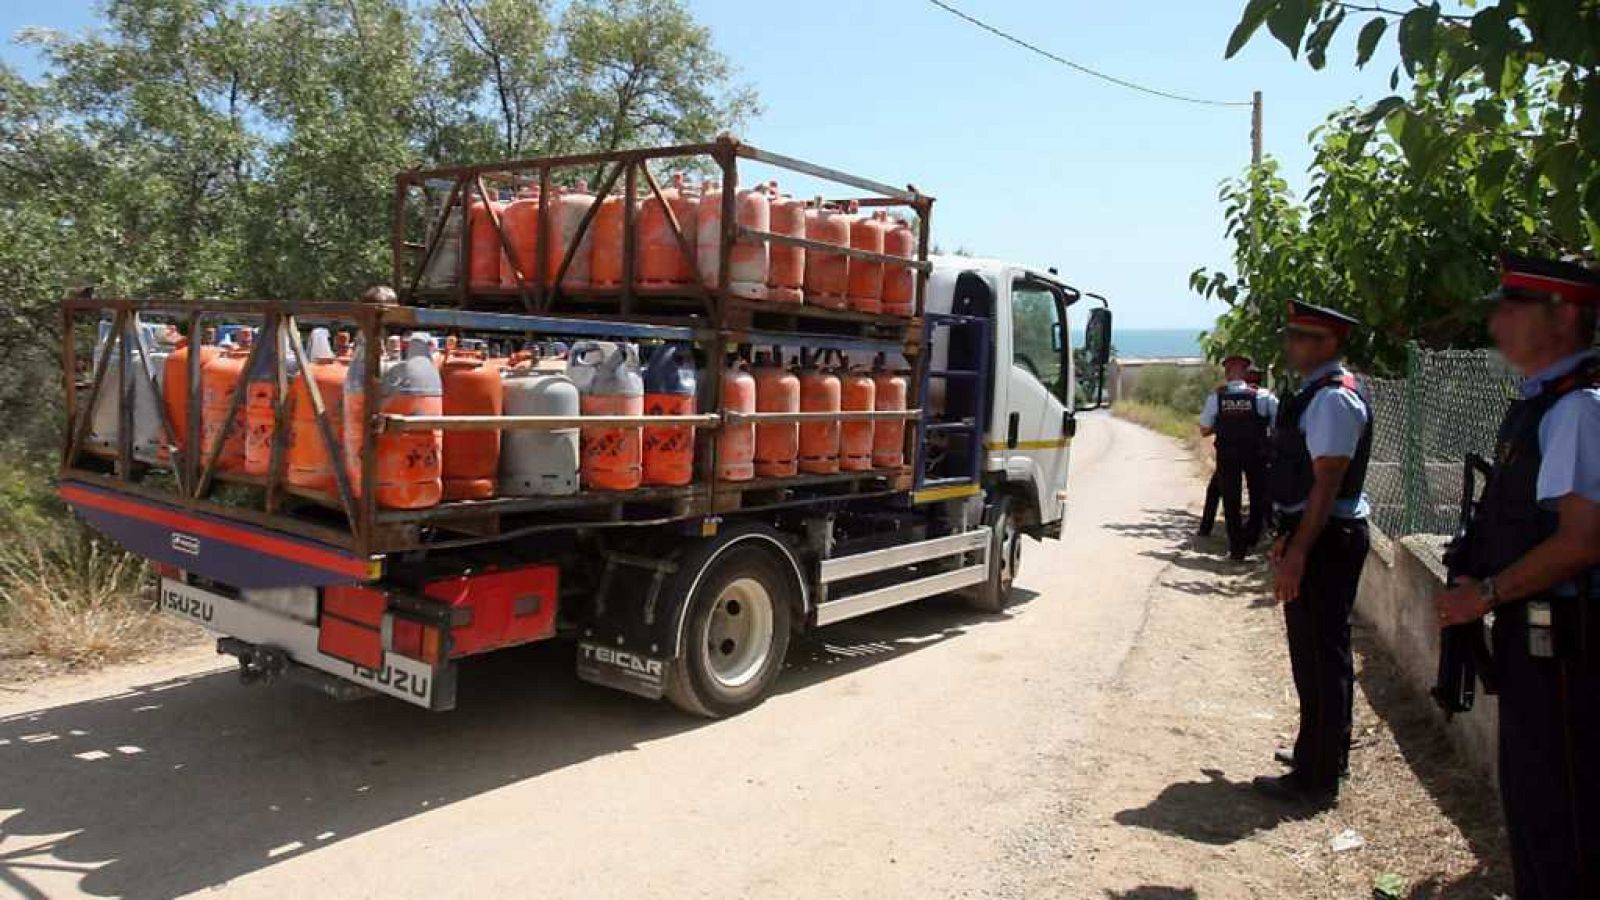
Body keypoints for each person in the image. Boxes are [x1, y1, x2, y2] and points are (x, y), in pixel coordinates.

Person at [1432, 253, 1600, 899]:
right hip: (1538, 642)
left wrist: (1486, 594)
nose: (1497, 321)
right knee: (1532, 804)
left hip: (1566, 648)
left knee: (1562, 817)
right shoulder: (1538, 406)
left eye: (1512, 307)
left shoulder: (1576, 411)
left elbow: (1580, 541)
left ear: (1563, 317)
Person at [1253, 300, 1372, 807]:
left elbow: (1327, 483)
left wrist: (1300, 548)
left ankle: (1318, 776)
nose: (1291, 344)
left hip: (1327, 538)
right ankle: (1317, 750)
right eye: (1292, 334)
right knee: (1316, 652)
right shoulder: (1316, 394)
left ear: (1330, 344)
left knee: (1320, 655)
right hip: (1318, 533)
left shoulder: (1331, 400)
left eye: (1303, 336)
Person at [1198, 354, 1277, 559]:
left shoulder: (1217, 397)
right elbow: (1277, 425)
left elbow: (1204, 429)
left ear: (1226, 373)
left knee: (1231, 500)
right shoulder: (1263, 396)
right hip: (1256, 453)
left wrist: (1222, 425)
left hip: (1228, 454)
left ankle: (1237, 549)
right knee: (1257, 495)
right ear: (1247, 372)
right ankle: (1252, 537)